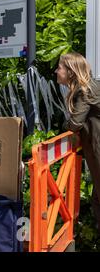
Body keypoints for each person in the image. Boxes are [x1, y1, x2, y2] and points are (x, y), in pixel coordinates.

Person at [55, 52, 100, 233]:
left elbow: (74, 124)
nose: (56, 71)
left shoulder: (84, 90)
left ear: (71, 72)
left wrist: (67, 126)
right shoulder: (89, 87)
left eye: (60, 68)